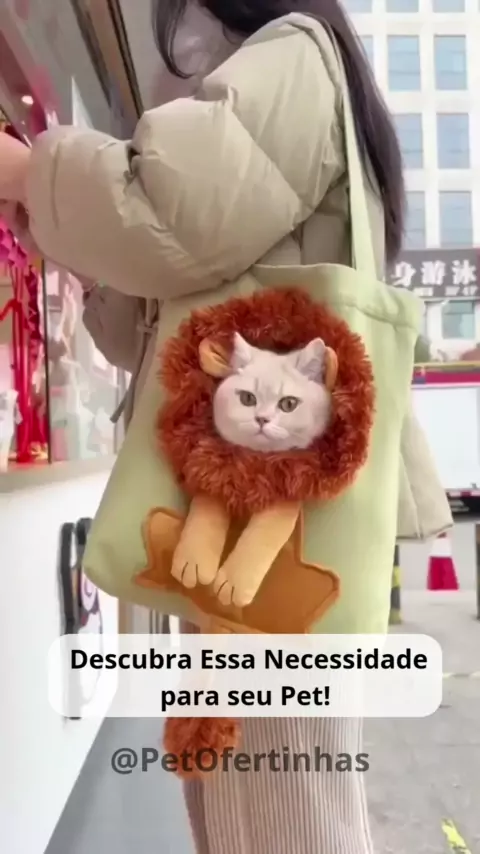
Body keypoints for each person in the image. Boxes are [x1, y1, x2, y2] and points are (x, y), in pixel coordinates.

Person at [0, 3, 406, 852]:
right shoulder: (300, 66)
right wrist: (75, 236)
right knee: (246, 797)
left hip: (279, 530)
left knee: (282, 809)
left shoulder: (294, 53)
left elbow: (169, 213)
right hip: (245, 526)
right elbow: (154, 327)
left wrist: (30, 171)